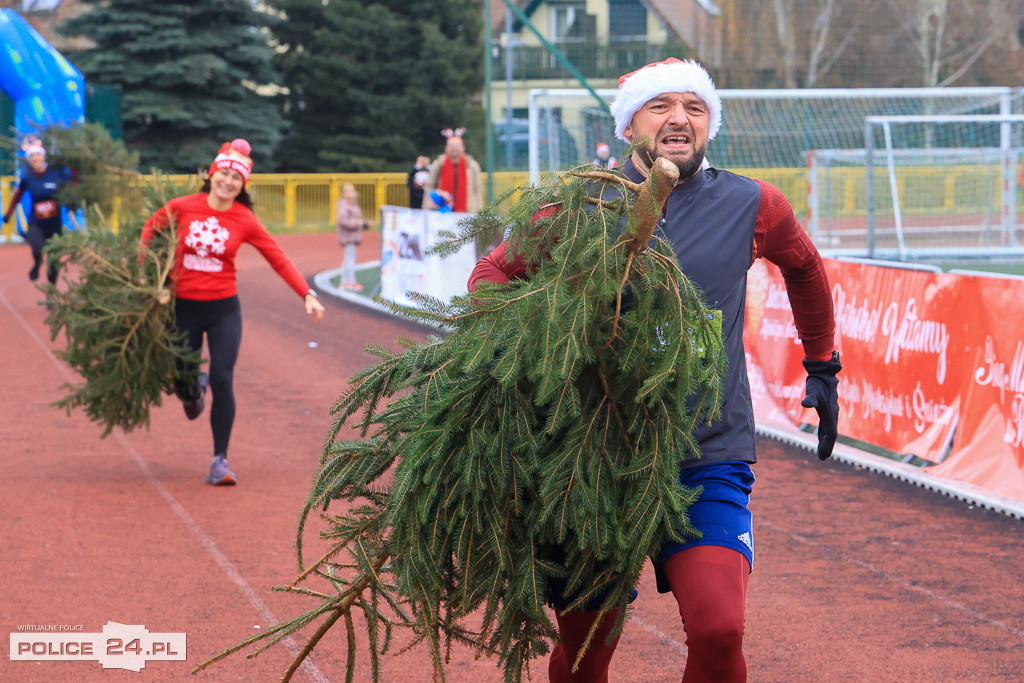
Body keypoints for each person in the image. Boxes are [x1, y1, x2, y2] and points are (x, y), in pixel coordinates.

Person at [468, 57, 841, 682]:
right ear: (630, 125)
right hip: (594, 458)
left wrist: (823, 364)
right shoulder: (579, 204)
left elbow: (804, 266)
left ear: (708, 125)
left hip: (709, 449)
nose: (678, 118)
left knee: (720, 629)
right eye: (660, 106)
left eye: (694, 107)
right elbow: (493, 273)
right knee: (587, 654)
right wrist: (518, 351)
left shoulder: (751, 203)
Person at [141, 138, 325, 486]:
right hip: (182, 309)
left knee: (224, 378)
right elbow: (149, 232)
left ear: (242, 185)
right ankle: (193, 387)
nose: (228, 181)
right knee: (182, 380)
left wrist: (307, 294)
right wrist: (148, 279)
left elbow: (277, 257)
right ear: (212, 175)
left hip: (224, 310)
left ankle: (219, 461)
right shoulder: (183, 206)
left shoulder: (244, 218)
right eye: (223, 174)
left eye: (236, 178)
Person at [1, 137, 74, 285]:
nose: (35, 158)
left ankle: (51, 292)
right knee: (37, 249)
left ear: (44, 156)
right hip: (36, 222)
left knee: (54, 259)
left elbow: (72, 182)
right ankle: (37, 263)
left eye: (38, 155)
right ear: (29, 160)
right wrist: (8, 214)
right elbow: (17, 196)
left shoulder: (56, 174)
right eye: (32, 156)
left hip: (54, 223)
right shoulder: (28, 179)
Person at [422, 128, 484, 213]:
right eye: (451, 145)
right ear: (446, 148)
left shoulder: (472, 165)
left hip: (468, 212)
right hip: (442, 211)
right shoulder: (438, 164)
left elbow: (478, 189)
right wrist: (426, 208)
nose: (454, 148)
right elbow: (429, 186)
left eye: (457, 145)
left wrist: (480, 212)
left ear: (463, 147)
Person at [336, 182, 370, 291]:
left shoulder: (353, 204)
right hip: (348, 236)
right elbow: (344, 221)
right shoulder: (344, 205)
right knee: (349, 259)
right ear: (342, 193)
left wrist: (363, 224)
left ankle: (346, 281)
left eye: (352, 190)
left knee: (350, 258)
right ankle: (348, 282)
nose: (351, 193)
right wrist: (359, 223)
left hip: (353, 235)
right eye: (347, 191)